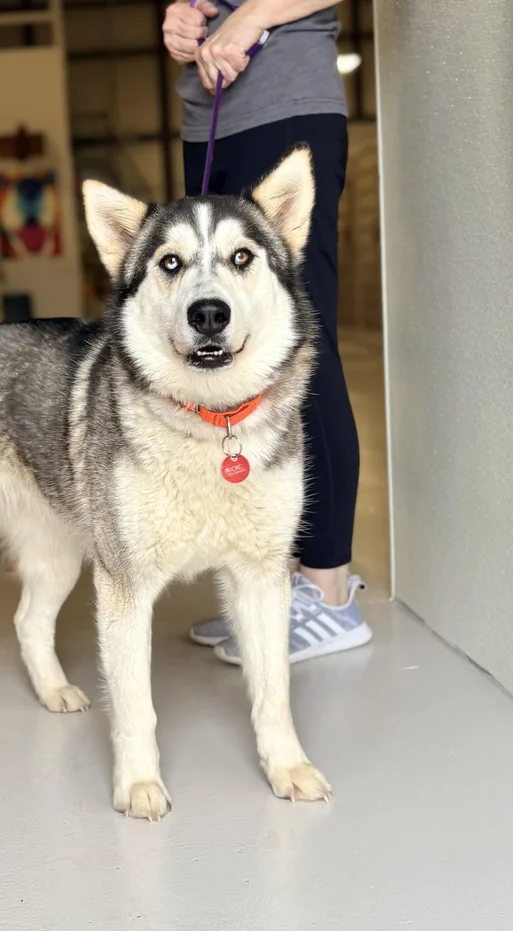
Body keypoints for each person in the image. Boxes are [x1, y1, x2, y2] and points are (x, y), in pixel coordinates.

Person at [162, 0, 372, 663]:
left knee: (297, 349)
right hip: (213, 115)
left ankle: (330, 593)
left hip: (285, 107)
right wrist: (184, 19)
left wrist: (251, 18)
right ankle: (275, 588)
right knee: (243, 366)